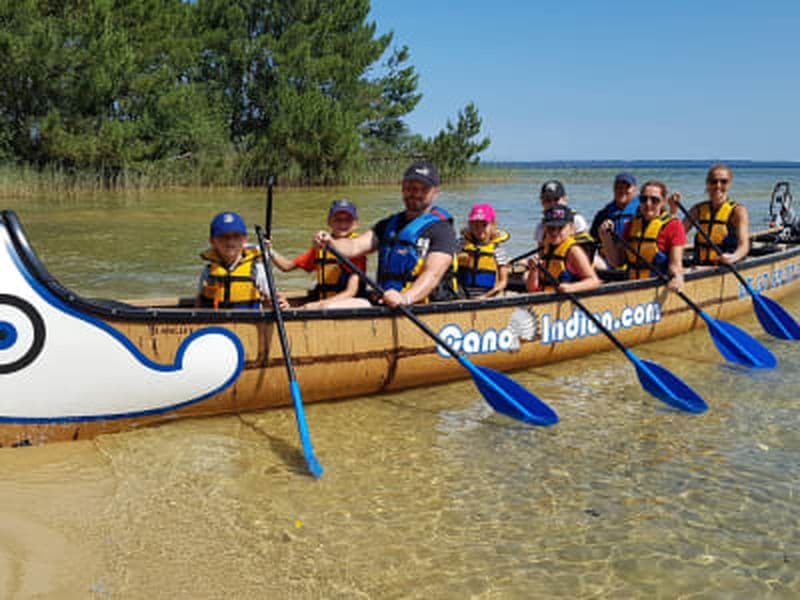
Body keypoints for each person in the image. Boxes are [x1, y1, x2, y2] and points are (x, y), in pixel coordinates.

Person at [314, 160, 461, 309]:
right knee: (326, 307)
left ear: (435, 192)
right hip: (385, 301)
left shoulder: (442, 230)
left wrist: (405, 298)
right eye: (410, 187)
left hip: (421, 306)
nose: (415, 193)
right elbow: (354, 246)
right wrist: (330, 242)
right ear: (403, 188)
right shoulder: (388, 225)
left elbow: (433, 274)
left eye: (422, 189)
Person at [269, 199, 367, 309]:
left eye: (348, 220)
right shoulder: (321, 247)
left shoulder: (357, 249)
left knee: (310, 307)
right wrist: (270, 251)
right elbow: (286, 266)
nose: (343, 224)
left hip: (348, 305)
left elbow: (351, 292)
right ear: (329, 222)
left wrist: (319, 305)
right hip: (325, 304)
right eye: (337, 220)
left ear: (356, 224)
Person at [598, 180, 686, 291]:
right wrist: (606, 238)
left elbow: (675, 264)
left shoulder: (674, 226)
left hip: (655, 284)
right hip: (632, 283)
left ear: (663, 202)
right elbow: (617, 262)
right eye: (644, 199)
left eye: (654, 200)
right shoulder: (631, 225)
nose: (648, 204)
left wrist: (677, 277)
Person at [197, 211, 286, 309]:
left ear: (245, 239)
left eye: (236, 236)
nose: (230, 241)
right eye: (223, 237)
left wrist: (280, 304)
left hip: (250, 322)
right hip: (216, 322)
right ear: (212, 241)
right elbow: (199, 304)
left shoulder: (257, 270)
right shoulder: (208, 272)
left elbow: (274, 299)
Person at [677, 163, 750, 265]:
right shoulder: (697, 209)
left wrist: (734, 257)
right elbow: (677, 234)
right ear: (707, 184)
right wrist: (673, 210)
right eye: (713, 181)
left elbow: (744, 246)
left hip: (726, 265)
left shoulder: (738, 211)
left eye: (723, 181)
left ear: (729, 184)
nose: (718, 186)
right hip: (701, 264)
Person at [526, 205, 601, 294]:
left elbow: (594, 281)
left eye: (560, 228)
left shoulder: (574, 251)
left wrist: (571, 288)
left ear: (571, 229)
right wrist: (533, 271)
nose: (554, 232)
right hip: (547, 300)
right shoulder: (545, 248)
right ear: (544, 228)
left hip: (567, 301)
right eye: (550, 228)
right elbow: (532, 289)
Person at [457, 202, 511, 299]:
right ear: (469, 225)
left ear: (493, 225)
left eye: (484, 225)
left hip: (487, 294)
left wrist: (485, 296)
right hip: (461, 293)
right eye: (475, 225)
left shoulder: (498, 250)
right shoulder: (461, 244)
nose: (479, 229)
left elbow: (503, 282)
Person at [590, 172, 641, 254]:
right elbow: (593, 240)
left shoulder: (643, 210)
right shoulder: (604, 214)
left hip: (635, 256)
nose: (622, 190)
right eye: (618, 187)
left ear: (635, 190)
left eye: (627, 187)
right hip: (611, 259)